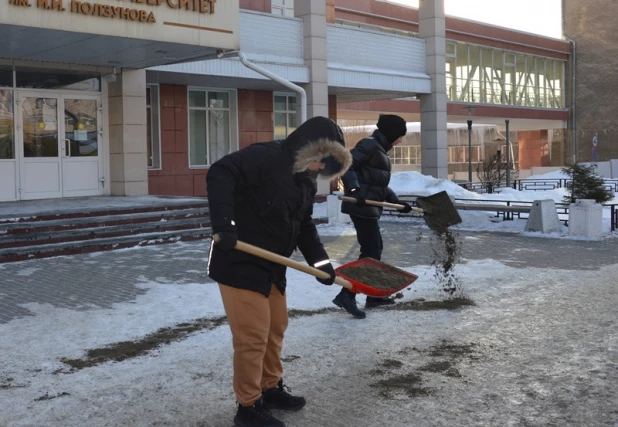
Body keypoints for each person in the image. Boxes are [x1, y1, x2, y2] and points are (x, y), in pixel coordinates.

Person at [207, 116, 352, 427]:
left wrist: (322, 265)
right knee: (253, 336)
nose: (319, 172)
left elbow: (304, 225)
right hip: (239, 262)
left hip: (273, 265)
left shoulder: (303, 179)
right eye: (321, 164)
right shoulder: (266, 156)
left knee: (275, 328)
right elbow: (221, 172)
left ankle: (270, 388)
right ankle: (248, 406)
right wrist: (225, 224)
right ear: (311, 151)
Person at [332, 114, 413, 319]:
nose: (401, 140)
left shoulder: (380, 151)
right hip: (360, 206)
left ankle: (372, 295)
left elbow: (379, 187)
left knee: (374, 249)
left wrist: (398, 203)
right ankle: (347, 294)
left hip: (369, 207)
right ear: (392, 133)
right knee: (371, 250)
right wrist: (354, 189)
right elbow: (348, 165)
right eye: (400, 135)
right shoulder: (369, 145)